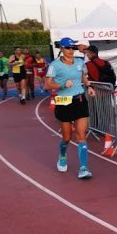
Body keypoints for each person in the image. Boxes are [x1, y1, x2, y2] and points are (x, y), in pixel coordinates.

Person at [44, 37, 96, 179]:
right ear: (61, 48)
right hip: (63, 102)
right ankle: (62, 155)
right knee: (67, 137)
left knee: (81, 135)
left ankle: (84, 168)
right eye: (68, 48)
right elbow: (47, 86)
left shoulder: (79, 62)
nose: (71, 50)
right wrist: (61, 85)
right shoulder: (55, 65)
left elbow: (83, 76)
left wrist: (89, 86)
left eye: (73, 48)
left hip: (79, 100)